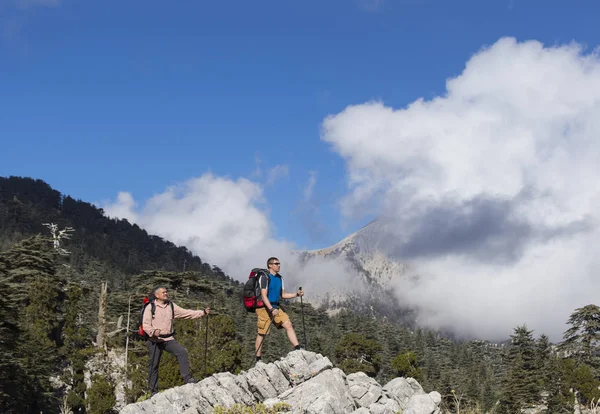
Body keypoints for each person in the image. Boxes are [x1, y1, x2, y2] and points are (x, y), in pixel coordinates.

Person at [142, 286, 210, 397]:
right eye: (163, 292)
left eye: (166, 292)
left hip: (168, 339)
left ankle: (188, 379)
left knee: (182, 352)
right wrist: (153, 332)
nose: (166, 293)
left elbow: (186, 313)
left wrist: (202, 313)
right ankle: (154, 392)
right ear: (157, 295)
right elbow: (145, 325)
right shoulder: (150, 307)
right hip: (154, 340)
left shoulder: (171, 306)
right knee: (154, 366)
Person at [255, 257, 304, 362]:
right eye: (276, 263)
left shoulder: (280, 278)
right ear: (270, 265)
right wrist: (271, 309)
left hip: (276, 306)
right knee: (262, 333)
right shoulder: (264, 277)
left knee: (288, 324)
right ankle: (258, 360)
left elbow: (283, 295)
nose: (279, 265)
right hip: (264, 307)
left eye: (279, 263)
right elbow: (264, 296)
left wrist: (296, 294)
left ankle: (298, 349)